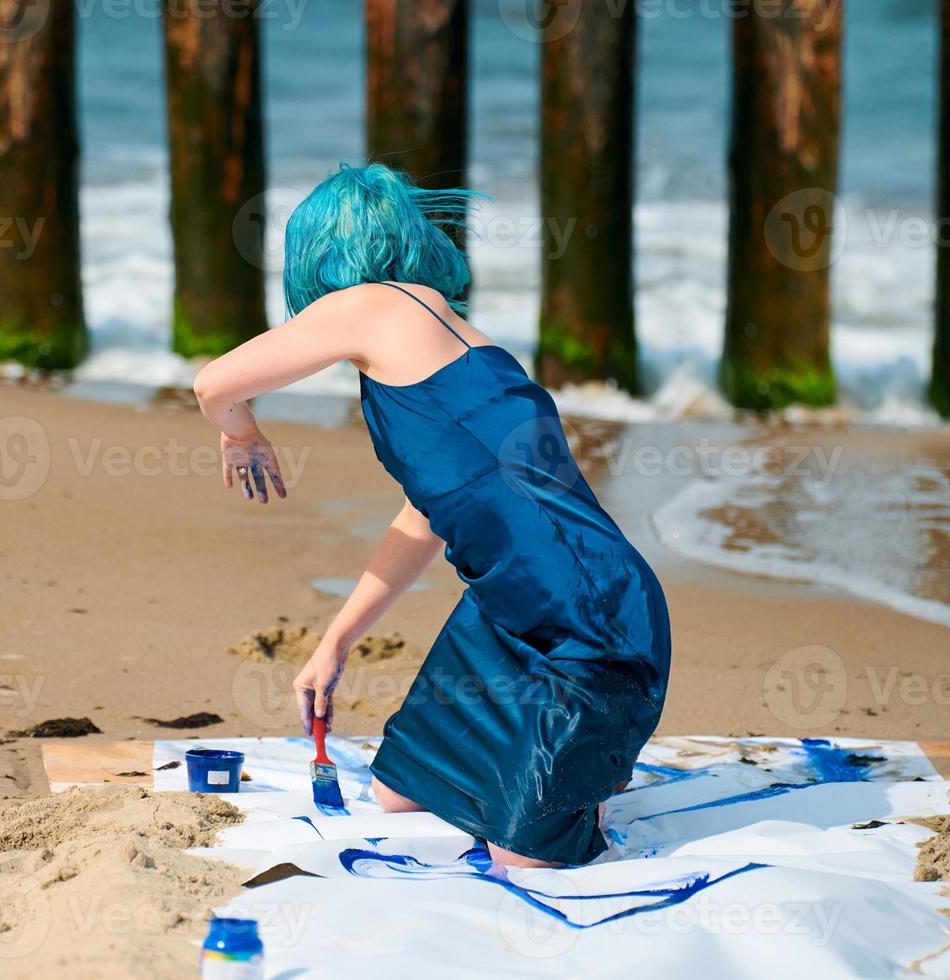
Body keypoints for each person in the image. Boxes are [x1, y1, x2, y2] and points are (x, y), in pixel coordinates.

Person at [193, 163, 670, 867]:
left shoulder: (372, 304)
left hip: (589, 621)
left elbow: (215, 385)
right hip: (509, 614)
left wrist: (240, 433)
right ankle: (571, 769)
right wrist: (337, 641)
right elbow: (424, 518)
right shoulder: (449, 341)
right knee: (397, 792)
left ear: (322, 254)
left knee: (527, 864)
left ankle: (587, 781)